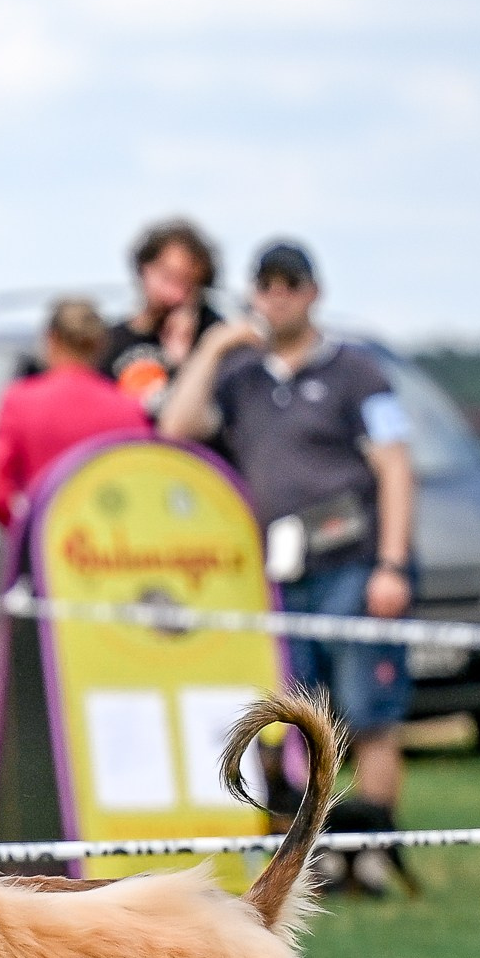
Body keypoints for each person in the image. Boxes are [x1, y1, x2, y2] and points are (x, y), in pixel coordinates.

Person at [159, 239, 417, 831]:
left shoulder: (357, 372)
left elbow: (395, 466)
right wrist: (214, 345)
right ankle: (297, 850)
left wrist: (393, 564)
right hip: (277, 574)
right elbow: (177, 425)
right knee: (285, 717)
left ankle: (374, 849)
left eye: (289, 286)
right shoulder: (242, 375)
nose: (276, 297)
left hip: (352, 563)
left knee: (367, 710)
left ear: (313, 293)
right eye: (265, 286)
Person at [0, 295, 149, 525]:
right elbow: (141, 486)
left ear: (51, 338)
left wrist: (27, 533)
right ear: (100, 344)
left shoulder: (19, 400)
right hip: (107, 548)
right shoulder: (129, 407)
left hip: (43, 542)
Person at [105, 219, 224, 415]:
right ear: (144, 269)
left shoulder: (212, 335)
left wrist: (182, 362)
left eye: (188, 284)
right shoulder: (110, 341)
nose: (176, 295)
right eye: (168, 277)